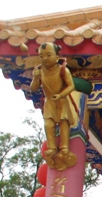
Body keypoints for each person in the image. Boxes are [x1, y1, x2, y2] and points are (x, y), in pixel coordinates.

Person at [30, 42, 79, 171]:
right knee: (48, 125)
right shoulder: (40, 72)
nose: (45, 59)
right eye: (42, 56)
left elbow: (71, 86)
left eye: (48, 55)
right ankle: (52, 147)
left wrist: (61, 95)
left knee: (64, 123)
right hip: (49, 102)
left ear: (57, 57)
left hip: (61, 101)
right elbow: (34, 88)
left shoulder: (63, 70)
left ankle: (64, 147)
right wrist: (35, 79)